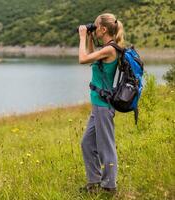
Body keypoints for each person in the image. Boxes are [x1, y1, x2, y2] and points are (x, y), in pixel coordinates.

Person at [78, 13, 125, 194]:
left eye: (95, 27)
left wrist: (82, 37)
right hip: (98, 105)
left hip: (104, 107)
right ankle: (94, 183)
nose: (94, 29)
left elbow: (83, 59)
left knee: (106, 146)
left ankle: (109, 187)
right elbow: (91, 56)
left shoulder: (111, 49)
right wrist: (89, 38)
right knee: (87, 144)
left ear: (103, 29)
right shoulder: (106, 48)